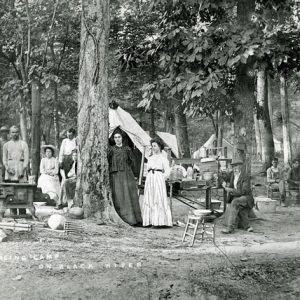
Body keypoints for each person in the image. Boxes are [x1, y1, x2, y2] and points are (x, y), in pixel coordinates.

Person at [108, 128, 142, 226]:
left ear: (122, 138)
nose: (117, 139)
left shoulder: (127, 149)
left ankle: (133, 219)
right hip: (115, 175)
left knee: (129, 195)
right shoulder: (111, 150)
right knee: (119, 195)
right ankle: (123, 217)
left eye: (119, 137)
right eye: (115, 137)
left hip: (127, 175)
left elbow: (132, 162)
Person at [142, 137, 172, 227]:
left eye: (155, 146)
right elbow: (146, 169)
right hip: (150, 178)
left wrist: (162, 178)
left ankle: (160, 221)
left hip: (158, 178)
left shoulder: (163, 159)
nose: (153, 148)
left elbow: (167, 171)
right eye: (152, 146)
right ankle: (150, 221)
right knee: (150, 198)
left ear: (159, 146)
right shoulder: (150, 158)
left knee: (158, 198)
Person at [221, 158, 254, 234]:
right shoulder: (232, 174)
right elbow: (223, 177)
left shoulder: (245, 177)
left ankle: (230, 228)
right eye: (233, 166)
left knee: (235, 202)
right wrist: (223, 182)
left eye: (237, 166)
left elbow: (243, 191)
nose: (235, 169)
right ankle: (247, 226)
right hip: (238, 197)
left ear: (241, 167)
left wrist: (231, 190)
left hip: (247, 197)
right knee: (239, 207)